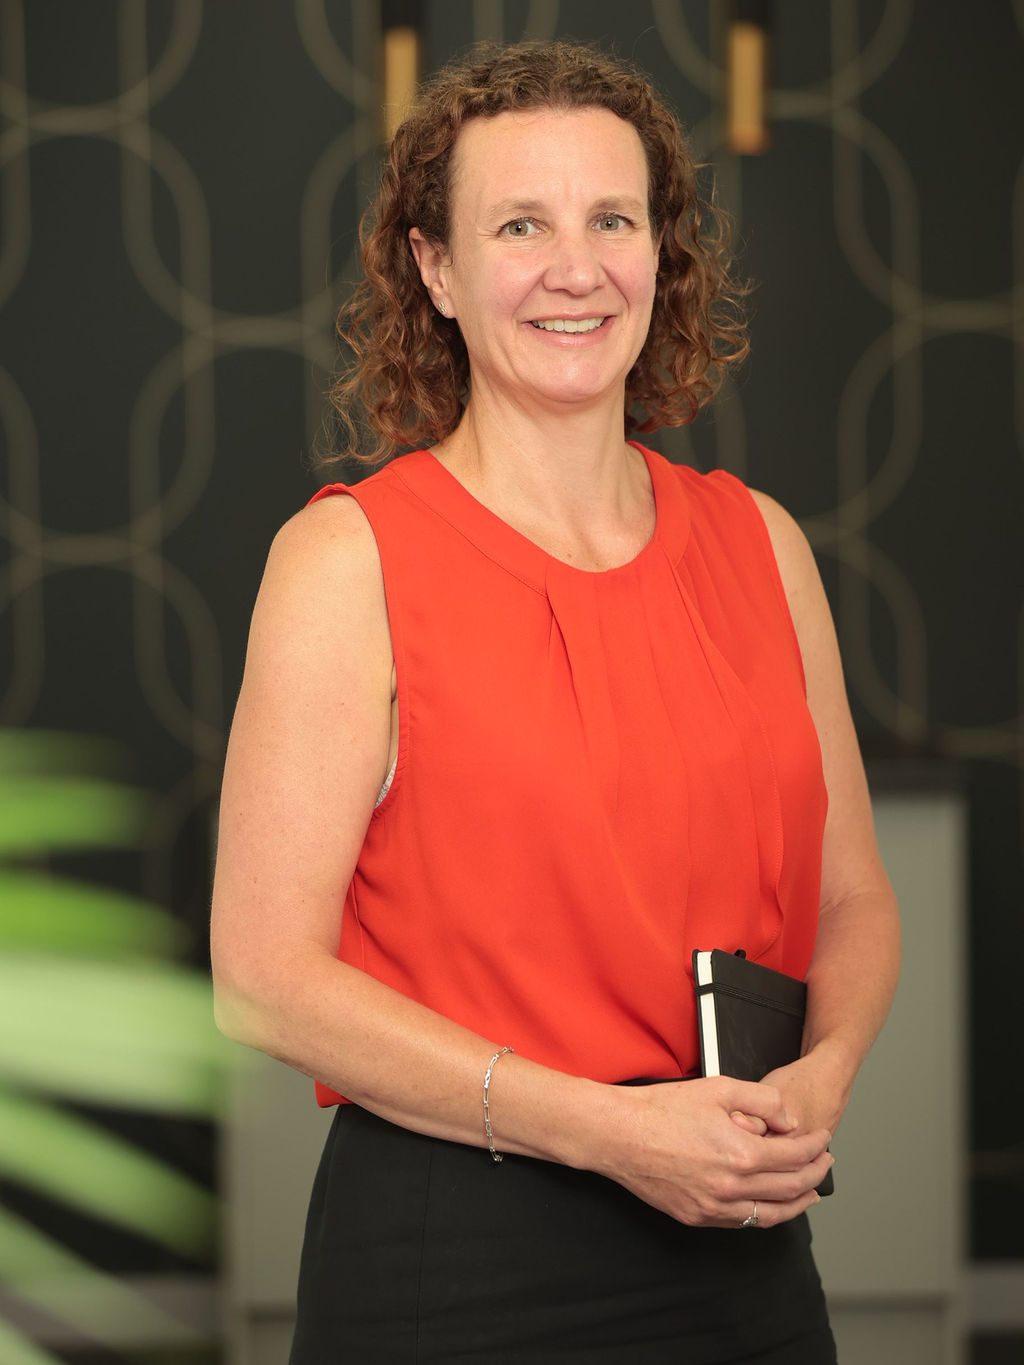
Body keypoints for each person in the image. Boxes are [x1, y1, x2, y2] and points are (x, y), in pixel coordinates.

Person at [210, 39, 900, 1364]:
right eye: (519, 224)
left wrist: (824, 1077)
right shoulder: (348, 560)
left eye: (613, 220)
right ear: (436, 269)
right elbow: (264, 980)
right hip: (460, 1264)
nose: (575, 268)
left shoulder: (762, 544)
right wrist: (610, 1131)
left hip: (741, 1243)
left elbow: (854, 901)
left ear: (661, 253)